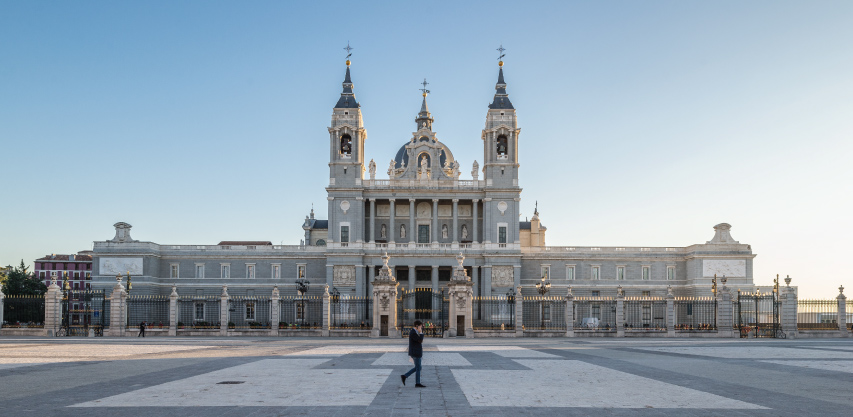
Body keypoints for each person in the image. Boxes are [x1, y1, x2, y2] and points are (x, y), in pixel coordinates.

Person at [401, 320, 426, 388]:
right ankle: (417, 383)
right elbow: (420, 340)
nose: (421, 327)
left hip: (416, 351)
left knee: (418, 367)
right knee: (418, 368)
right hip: (416, 352)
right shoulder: (413, 333)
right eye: (420, 326)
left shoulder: (415, 332)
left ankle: (405, 376)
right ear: (417, 326)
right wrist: (421, 333)